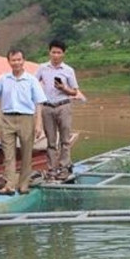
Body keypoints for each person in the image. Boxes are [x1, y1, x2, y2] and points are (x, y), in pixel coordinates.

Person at [0, 48, 47, 195]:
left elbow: (39, 102)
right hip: (7, 118)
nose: (16, 62)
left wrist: (38, 124)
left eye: (19, 59)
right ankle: (9, 185)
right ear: (9, 62)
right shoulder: (3, 79)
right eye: (13, 60)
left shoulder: (31, 80)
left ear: (23, 61)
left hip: (26, 118)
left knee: (26, 153)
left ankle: (24, 184)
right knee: (8, 153)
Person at [35, 39, 82, 181]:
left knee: (65, 139)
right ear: (49, 52)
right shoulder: (42, 68)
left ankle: (64, 168)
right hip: (47, 107)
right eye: (53, 52)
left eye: (59, 52)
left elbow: (75, 92)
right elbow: (34, 84)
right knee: (50, 141)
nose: (56, 55)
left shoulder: (68, 70)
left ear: (63, 54)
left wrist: (63, 88)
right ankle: (52, 169)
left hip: (63, 106)